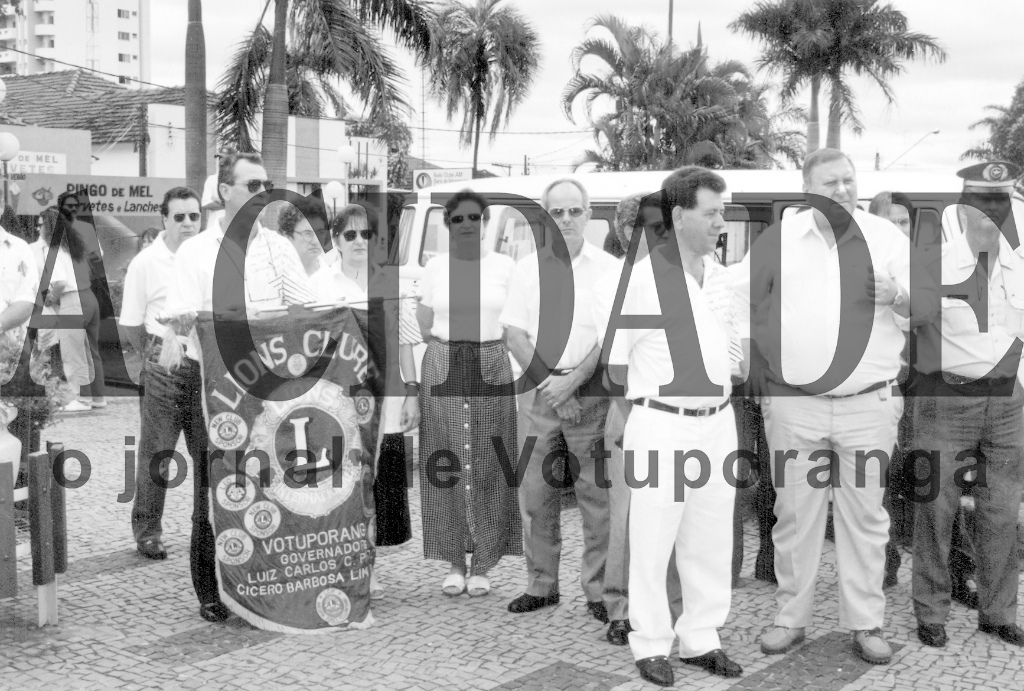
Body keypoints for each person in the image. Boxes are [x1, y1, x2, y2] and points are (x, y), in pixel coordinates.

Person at [736, 148, 938, 665]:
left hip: (867, 406)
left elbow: (926, 309)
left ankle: (866, 623)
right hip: (795, 404)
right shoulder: (779, 240)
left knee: (865, 518)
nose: (844, 190)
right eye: (831, 183)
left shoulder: (886, 238)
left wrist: (897, 293)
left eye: (849, 180)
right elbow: (742, 302)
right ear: (808, 189)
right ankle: (790, 618)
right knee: (794, 516)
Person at [162, 152, 315, 622]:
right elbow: (180, 313)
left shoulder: (278, 247)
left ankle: (264, 583)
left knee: (270, 482)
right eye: (251, 185)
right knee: (215, 487)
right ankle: (212, 591)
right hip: (210, 386)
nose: (261, 193)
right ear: (224, 190)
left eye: (265, 185)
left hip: (267, 385)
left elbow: (305, 308)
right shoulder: (195, 251)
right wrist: (190, 319)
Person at [607, 168, 745, 686]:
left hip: (718, 424)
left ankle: (701, 639)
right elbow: (616, 366)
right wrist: (652, 409)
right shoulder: (643, 281)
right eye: (711, 213)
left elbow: (735, 351)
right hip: (663, 424)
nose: (720, 222)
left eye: (722, 212)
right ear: (679, 216)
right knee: (652, 538)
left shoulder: (722, 277)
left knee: (709, 539)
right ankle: (649, 645)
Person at [911, 160, 1024, 649]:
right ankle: (931, 611)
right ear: (963, 206)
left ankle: (998, 612)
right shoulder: (932, 263)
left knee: (1001, 511)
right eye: (981, 201)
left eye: (999, 201)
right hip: (948, 400)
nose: (990, 211)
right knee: (936, 508)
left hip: (1009, 404)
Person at [501, 178, 619, 621]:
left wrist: (572, 385)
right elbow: (513, 333)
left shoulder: (609, 270)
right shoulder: (526, 269)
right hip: (537, 390)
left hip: (590, 393)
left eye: (575, 211)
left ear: (589, 216)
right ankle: (541, 585)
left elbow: (611, 338)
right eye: (557, 212)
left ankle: (599, 591)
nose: (566, 219)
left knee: (597, 497)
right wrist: (552, 384)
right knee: (536, 495)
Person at [417, 189, 521, 597]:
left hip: (492, 361)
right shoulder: (435, 267)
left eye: (473, 218)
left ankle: (484, 562)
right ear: (448, 224)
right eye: (457, 219)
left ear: (484, 222)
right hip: (443, 360)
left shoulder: (504, 267)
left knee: (491, 457)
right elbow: (424, 323)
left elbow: (513, 322)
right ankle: (453, 562)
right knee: (444, 458)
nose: (465, 225)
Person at [591, 190, 682, 646]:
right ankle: (620, 609)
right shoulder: (615, 283)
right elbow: (614, 363)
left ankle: (668, 607)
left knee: (672, 516)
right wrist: (631, 413)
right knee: (626, 517)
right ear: (627, 232)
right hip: (629, 411)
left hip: (677, 417)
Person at [323, 202, 421, 599]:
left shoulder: (389, 283)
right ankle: (341, 564)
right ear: (336, 240)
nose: (359, 241)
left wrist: (412, 392)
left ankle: (370, 567)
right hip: (339, 402)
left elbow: (406, 342)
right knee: (343, 487)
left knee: (378, 485)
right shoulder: (322, 284)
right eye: (350, 234)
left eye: (367, 234)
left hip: (386, 406)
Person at [119, 187, 203, 562]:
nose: (188, 223)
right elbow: (131, 325)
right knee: (158, 452)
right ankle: (148, 532)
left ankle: (210, 528)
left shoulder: (208, 257)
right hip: (163, 363)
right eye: (180, 217)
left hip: (205, 362)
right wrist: (152, 358)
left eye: (193, 216)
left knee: (208, 452)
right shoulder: (146, 263)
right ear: (164, 220)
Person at [867, 190, 918, 590]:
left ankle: (955, 571)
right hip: (882, 394)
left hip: (928, 395)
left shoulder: (926, 268)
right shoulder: (862, 270)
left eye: (904, 222)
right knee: (878, 483)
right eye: (889, 222)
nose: (897, 230)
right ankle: (885, 563)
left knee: (927, 484)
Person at [56, 191, 107, 409]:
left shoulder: (60, 233)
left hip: (72, 297)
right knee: (91, 351)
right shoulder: (86, 229)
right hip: (88, 295)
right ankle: (98, 398)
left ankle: (82, 399)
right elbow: (98, 257)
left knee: (74, 351)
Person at [276, 200, 330, 279]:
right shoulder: (273, 277)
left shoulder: (333, 277)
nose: (316, 241)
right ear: (287, 236)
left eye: (320, 233)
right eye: (307, 233)